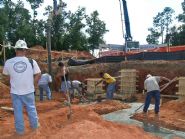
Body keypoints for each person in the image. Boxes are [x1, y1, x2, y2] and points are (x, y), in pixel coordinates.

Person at [2, 40, 41, 135]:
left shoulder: (8, 62)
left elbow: (5, 75)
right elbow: (38, 74)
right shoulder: (31, 61)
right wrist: (33, 84)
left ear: (16, 50)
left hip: (15, 92)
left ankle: (20, 131)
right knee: (31, 109)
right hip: (28, 91)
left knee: (18, 112)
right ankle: (35, 127)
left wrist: (14, 80)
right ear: (25, 50)